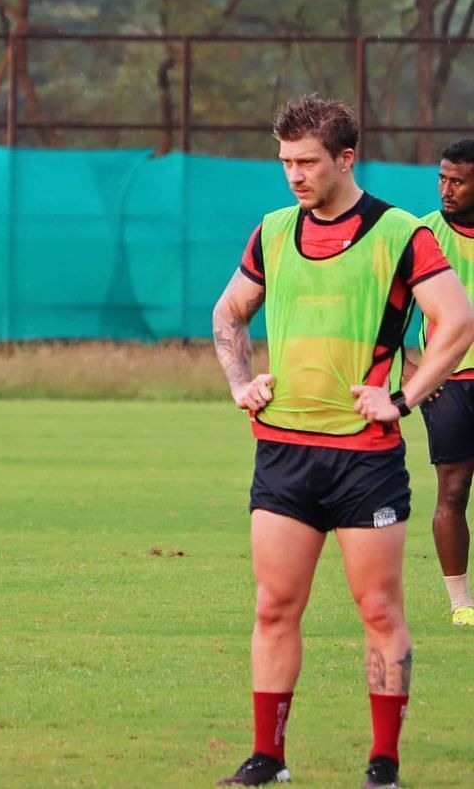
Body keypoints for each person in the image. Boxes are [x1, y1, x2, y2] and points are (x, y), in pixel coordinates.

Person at [211, 95, 474, 789]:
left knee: (381, 609)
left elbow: (457, 321)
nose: (293, 175)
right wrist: (240, 378)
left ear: (345, 157)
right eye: (285, 162)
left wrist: (404, 397)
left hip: (366, 460)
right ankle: (268, 755)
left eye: (306, 162)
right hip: (283, 453)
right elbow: (229, 311)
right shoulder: (271, 230)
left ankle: (383, 763)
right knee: (273, 605)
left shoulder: (399, 233)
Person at [414, 139, 474, 625]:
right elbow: (388, 317)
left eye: (458, 180)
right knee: (452, 494)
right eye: (442, 178)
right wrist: (415, 376)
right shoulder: (424, 236)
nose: (446, 189)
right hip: (450, 384)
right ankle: (461, 606)